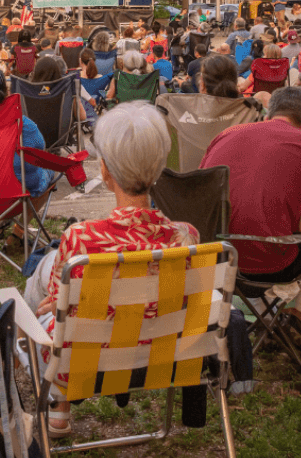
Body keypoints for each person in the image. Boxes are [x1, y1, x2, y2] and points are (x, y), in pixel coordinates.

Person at [22, 102, 197, 437]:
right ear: (159, 169)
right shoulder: (186, 238)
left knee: (42, 293)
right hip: (162, 356)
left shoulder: (81, 241)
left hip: (86, 364)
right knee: (51, 276)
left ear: (103, 171)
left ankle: (57, 405)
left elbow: (59, 306)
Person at [201, 87, 301, 343]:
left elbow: (202, 195)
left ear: (267, 116)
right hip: (272, 264)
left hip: (214, 259)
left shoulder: (224, 135)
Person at [0, 66, 58, 201]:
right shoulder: (24, 125)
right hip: (20, 191)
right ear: (8, 92)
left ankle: (1, 220)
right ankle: (21, 221)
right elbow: (40, 148)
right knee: (49, 170)